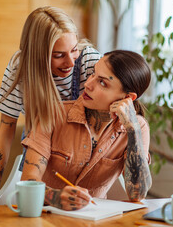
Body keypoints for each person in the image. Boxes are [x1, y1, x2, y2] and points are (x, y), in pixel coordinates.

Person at [0, 6, 101, 205]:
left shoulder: (89, 62)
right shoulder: (21, 68)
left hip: (83, 163)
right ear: (38, 54)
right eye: (58, 55)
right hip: (37, 162)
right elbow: (6, 129)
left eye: (74, 49)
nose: (70, 62)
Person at [20, 50, 152, 211]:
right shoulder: (53, 114)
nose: (88, 84)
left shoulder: (138, 128)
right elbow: (27, 181)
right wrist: (54, 197)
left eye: (102, 83)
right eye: (93, 74)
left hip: (95, 220)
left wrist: (133, 131)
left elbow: (137, 194)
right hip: (46, 215)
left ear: (128, 98)